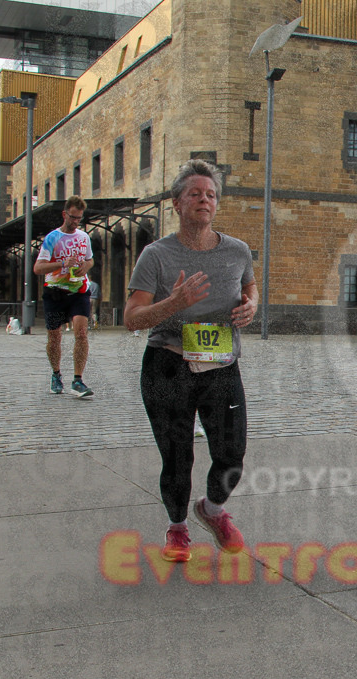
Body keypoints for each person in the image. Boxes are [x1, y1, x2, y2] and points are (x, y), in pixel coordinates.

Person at [124, 159, 257, 563]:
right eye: (195, 193)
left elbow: (251, 289)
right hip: (168, 365)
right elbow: (131, 319)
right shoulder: (156, 255)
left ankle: (212, 510)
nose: (205, 200)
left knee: (232, 454)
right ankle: (178, 528)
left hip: (221, 365)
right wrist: (174, 303)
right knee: (178, 456)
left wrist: (251, 307)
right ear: (177, 203)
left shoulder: (237, 251)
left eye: (211, 194)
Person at [34, 196, 95, 398]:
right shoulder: (52, 238)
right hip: (55, 293)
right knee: (54, 337)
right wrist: (62, 264)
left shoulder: (84, 237)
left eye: (79, 218)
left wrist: (85, 266)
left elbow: (90, 260)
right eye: (73, 217)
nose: (76, 221)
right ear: (64, 214)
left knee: (81, 333)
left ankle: (78, 380)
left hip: (79, 291)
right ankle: (56, 373)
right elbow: (38, 268)